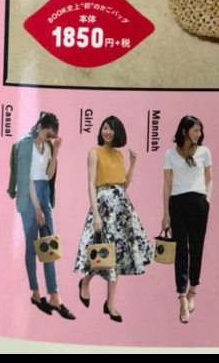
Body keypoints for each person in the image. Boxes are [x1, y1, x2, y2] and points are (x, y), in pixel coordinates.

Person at [74, 116, 153, 323]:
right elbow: (91, 184)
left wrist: (133, 165)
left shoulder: (119, 155)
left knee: (115, 257)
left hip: (121, 209)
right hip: (103, 207)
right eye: (105, 128)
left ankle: (110, 304)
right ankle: (85, 282)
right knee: (101, 252)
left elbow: (124, 185)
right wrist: (96, 215)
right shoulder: (94, 153)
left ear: (118, 133)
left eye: (112, 129)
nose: (108, 132)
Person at [7, 111, 74, 319]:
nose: (49, 138)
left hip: (44, 194)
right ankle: (36, 293)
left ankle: (54, 296)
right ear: (39, 127)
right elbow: (25, 178)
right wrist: (37, 210)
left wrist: (56, 151)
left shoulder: (49, 146)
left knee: (50, 247)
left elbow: (49, 175)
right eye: (47, 134)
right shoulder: (25, 145)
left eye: (53, 136)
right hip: (29, 198)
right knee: (31, 247)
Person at [162, 116, 213, 324]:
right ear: (184, 131)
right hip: (177, 204)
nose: (198, 134)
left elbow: (209, 179)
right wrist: (166, 214)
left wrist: (207, 200)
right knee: (181, 250)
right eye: (195, 130)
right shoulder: (170, 154)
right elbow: (167, 185)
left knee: (197, 248)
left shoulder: (204, 151)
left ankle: (193, 290)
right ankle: (182, 296)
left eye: (200, 130)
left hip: (198, 203)